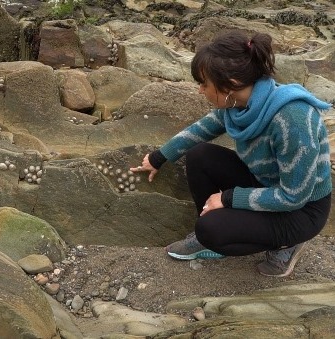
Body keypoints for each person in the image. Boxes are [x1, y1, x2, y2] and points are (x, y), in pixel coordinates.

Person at [130, 30, 332, 278]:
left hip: (301, 209)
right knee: (199, 155)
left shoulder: (293, 120)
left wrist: (227, 199)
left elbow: (294, 197)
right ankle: (219, 232)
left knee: (210, 230)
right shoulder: (238, 105)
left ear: (232, 84)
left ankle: (286, 244)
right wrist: (158, 158)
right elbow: (200, 130)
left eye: (204, 84)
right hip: (265, 184)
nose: (200, 91)